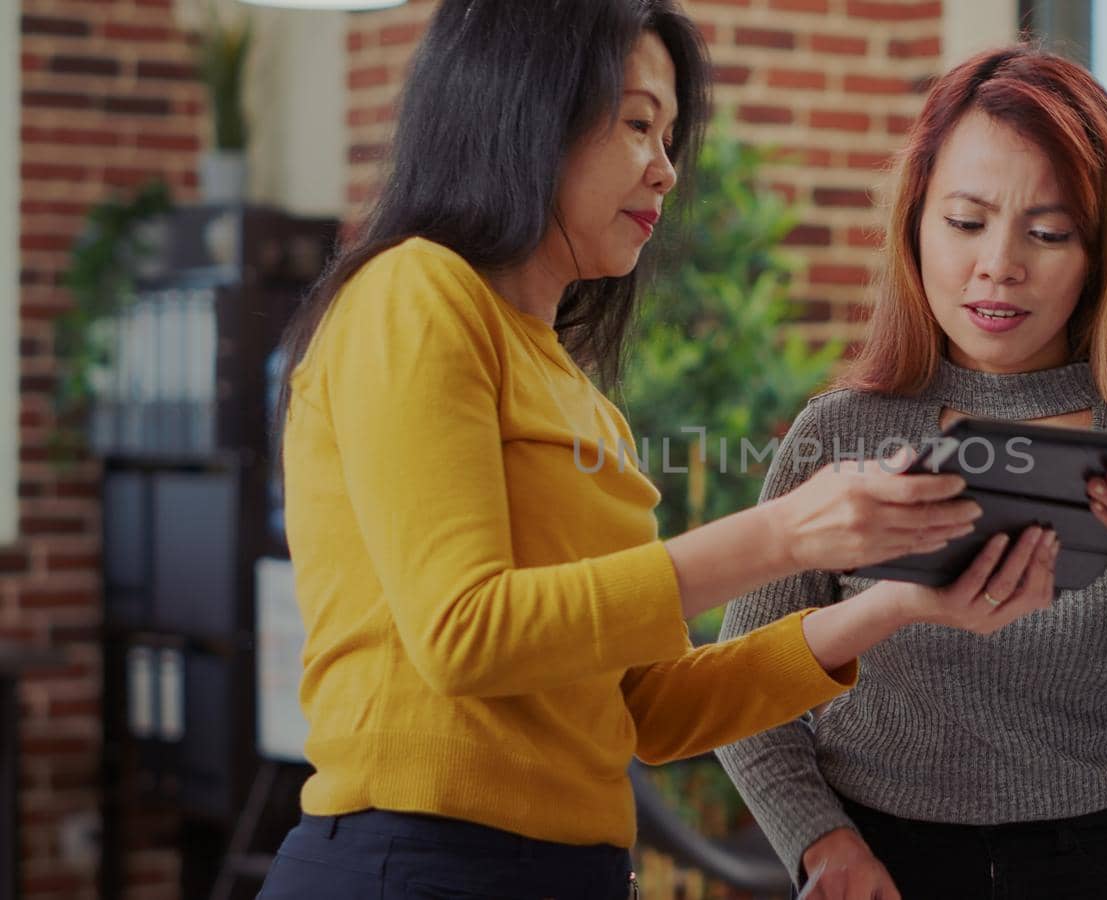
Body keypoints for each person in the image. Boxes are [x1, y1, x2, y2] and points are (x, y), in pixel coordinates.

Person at [257, 4, 1062, 899]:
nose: (666, 169)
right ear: (526, 109)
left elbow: (649, 710)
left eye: (671, 135)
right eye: (639, 123)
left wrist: (894, 604)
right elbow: (465, 635)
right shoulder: (414, 291)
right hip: (415, 868)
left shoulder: (577, 395)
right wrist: (785, 536)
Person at [717, 44, 1107, 900]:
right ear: (915, 223)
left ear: (1101, 253)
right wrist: (822, 843)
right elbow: (739, 690)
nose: (1000, 264)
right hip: (881, 871)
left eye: (1048, 232)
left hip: (1099, 872)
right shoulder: (840, 434)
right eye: (966, 221)